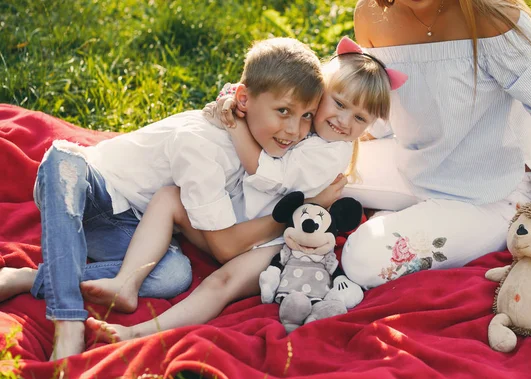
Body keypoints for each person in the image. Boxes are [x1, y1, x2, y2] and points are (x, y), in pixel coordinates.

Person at [0, 37, 324, 360]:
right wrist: (291, 214)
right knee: (64, 164)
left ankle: (30, 278)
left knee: (173, 275)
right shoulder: (202, 147)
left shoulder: (260, 140)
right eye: (283, 111)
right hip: (92, 189)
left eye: (307, 115)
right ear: (243, 99)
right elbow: (224, 247)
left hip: (130, 224)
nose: (295, 131)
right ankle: (67, 319)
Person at [84, 37, 405, 344]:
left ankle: (138, 333)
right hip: (242, 219)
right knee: (168, 197)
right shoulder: (309, 127)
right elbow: (263, 114)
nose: (344, 120)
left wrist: (235, 127)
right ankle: (127, 282)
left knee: (220, 284)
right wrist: (234, 104)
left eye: (359, 118)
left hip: (278, 239)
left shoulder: (329, 152)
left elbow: (268, 172)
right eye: (339, 103)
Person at [340, 0, 531, 289]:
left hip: (491, 195)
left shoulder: (492, 17)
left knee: (362, 259)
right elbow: (383, 100)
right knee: (306, 168)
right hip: (413, 164)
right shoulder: (371, 15)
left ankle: (406, 219)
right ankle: (406, 216)